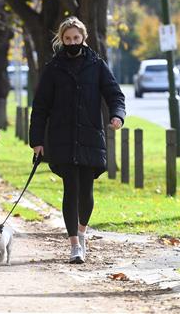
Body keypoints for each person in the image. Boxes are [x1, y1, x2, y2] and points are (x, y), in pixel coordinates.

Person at [29, 16, 125, 264]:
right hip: (62, 138)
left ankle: (82, 233)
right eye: (68, 38)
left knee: (87, 191)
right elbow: (40, 107)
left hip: (91, 135)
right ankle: (74, 245)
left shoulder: (97, 65)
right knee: (70, 190)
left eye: (76, 38)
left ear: (84, 38)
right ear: (61, 40)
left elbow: (114, 94)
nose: (72, 42)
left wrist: (117, 115)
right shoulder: (53, 68)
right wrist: (37, 140)